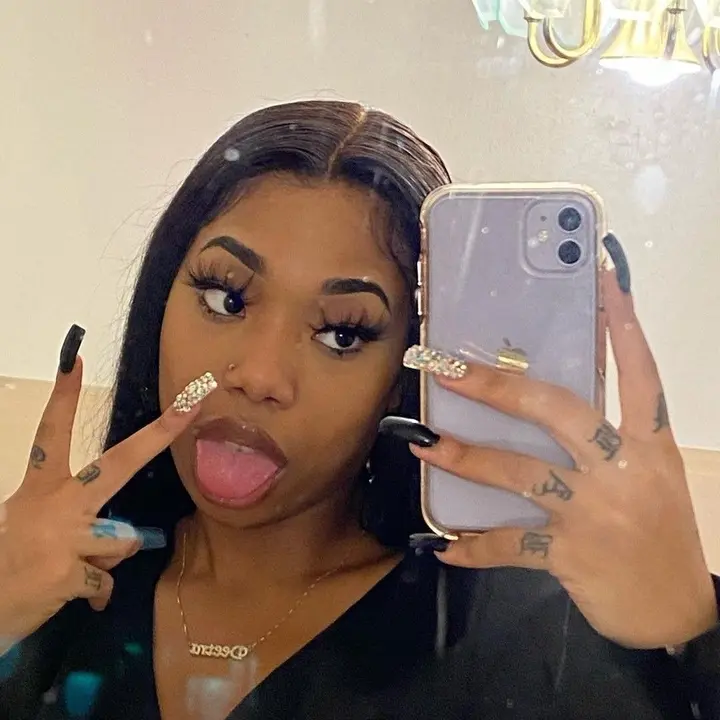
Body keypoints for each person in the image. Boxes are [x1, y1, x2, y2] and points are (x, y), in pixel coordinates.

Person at [0, 100, 718, 720]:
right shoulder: (51, 594)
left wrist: (695, 629)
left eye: (342, 334)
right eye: (226, 297)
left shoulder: (511, 641)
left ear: (403, 374)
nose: (260, 376)